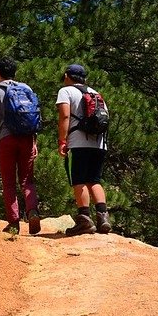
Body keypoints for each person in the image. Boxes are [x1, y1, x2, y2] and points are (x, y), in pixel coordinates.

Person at [0, 57, 41, 234]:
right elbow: (34, 115)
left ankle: (14, 222)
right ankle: (32, 211)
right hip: (27, 138)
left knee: (8, 182)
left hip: (5, 139)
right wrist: (34, 142)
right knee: (27, 180)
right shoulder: (26, 88)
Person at [56, 64, 112, 236]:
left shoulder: (65, 91)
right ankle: (103, 218)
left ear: (67, 75)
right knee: (94, 180)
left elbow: (65, 115)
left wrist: (62, 140)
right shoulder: (96, 93)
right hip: (99, 144)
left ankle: (84, 220)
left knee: (78, 180)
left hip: (78, 142)